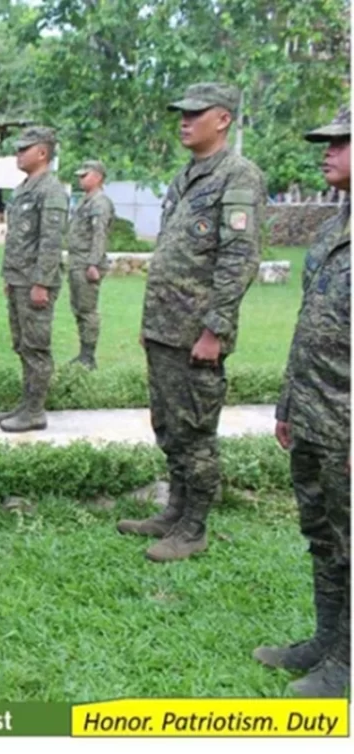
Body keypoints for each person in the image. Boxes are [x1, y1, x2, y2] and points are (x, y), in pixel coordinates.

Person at [116, 82, 266, 562]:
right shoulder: (186, 176)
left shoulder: (238, 176)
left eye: (195, 113)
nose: (184, 121)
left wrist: (214, 330)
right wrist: (150, 324)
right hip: (166, 326)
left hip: (198, 333)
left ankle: (194, 528)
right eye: (181, 113)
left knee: (195, 432)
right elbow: (173, 253)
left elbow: (239, 258)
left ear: (222, 119)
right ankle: (175, 512)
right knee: (168, 426)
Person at [253, 106, 350, 698]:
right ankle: (328, 641)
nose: (327, 152)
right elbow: (309, 324)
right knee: (323, 535)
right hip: (316, 414)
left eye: (342, 143)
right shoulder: (334, 227)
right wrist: (288, 403)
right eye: (327, 142)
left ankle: (348, 665)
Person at [0, 126, 67, 432]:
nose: (18, 154)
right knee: (22, 344)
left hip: (35, 283)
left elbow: (50, 241)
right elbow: (18, 239)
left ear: (42, 152)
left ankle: (35, 411)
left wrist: (41, 283)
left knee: (36, 347)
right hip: (19, 279)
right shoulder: (24, 188)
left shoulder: (51, 190)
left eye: (25, 149)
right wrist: (10, 277)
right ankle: (26, 404)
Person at [66, 160, 114, 370]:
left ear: (98, 177)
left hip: (87, 262)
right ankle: (83, 353)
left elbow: (99, 235)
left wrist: (93, 263)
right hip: (77, 261)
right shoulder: (85, 201)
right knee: (78, 308)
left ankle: (88, 356)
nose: (80, 179)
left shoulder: (99, 203)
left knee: (87, 310)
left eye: (85, 175)